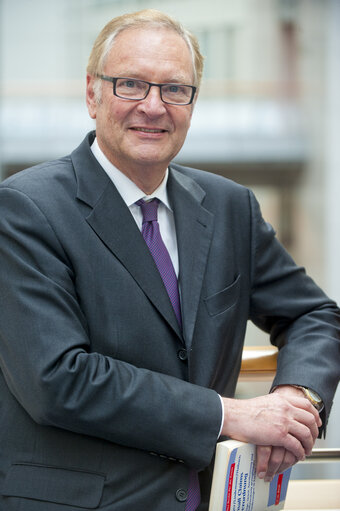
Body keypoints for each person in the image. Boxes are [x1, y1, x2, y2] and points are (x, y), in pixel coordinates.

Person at [0, 9, 339, 511]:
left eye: (175, 89)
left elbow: (314, 314)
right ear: (91, 93)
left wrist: (297, 398)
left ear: (192, 103)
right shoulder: (25, 208)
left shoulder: (230, 207)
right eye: (131, 85)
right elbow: (57, 380)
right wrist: (228, 416)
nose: (153, 106)